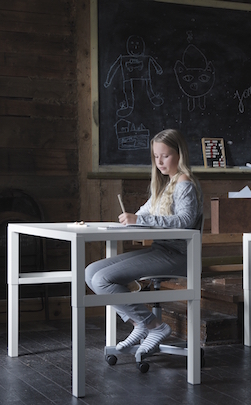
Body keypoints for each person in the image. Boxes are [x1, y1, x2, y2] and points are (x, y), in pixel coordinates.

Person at [86, 129, 203, 358]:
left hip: (181, 256)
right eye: (156, 156)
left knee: (102, 279)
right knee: (91, 272)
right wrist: (128, 220)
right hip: (161, 251)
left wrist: (140, 219)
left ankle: (153, 326)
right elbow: (143, 212)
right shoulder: (163, 185)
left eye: (165, 156)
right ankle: (141, 324)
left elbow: (185, 222)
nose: (159, 162)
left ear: (180, 155)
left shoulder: (184, 183)